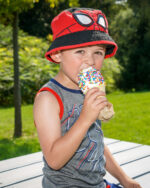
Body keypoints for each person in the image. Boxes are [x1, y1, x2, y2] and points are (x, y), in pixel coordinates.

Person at [33, 8, 142, 188]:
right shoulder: (48, 99)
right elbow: (54, 159)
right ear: (57, 54)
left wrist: (125, 180)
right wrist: (85, 118)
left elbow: (95, 143)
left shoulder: (88, 90)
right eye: (80, 51)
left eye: (98, 52)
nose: (90, 61)